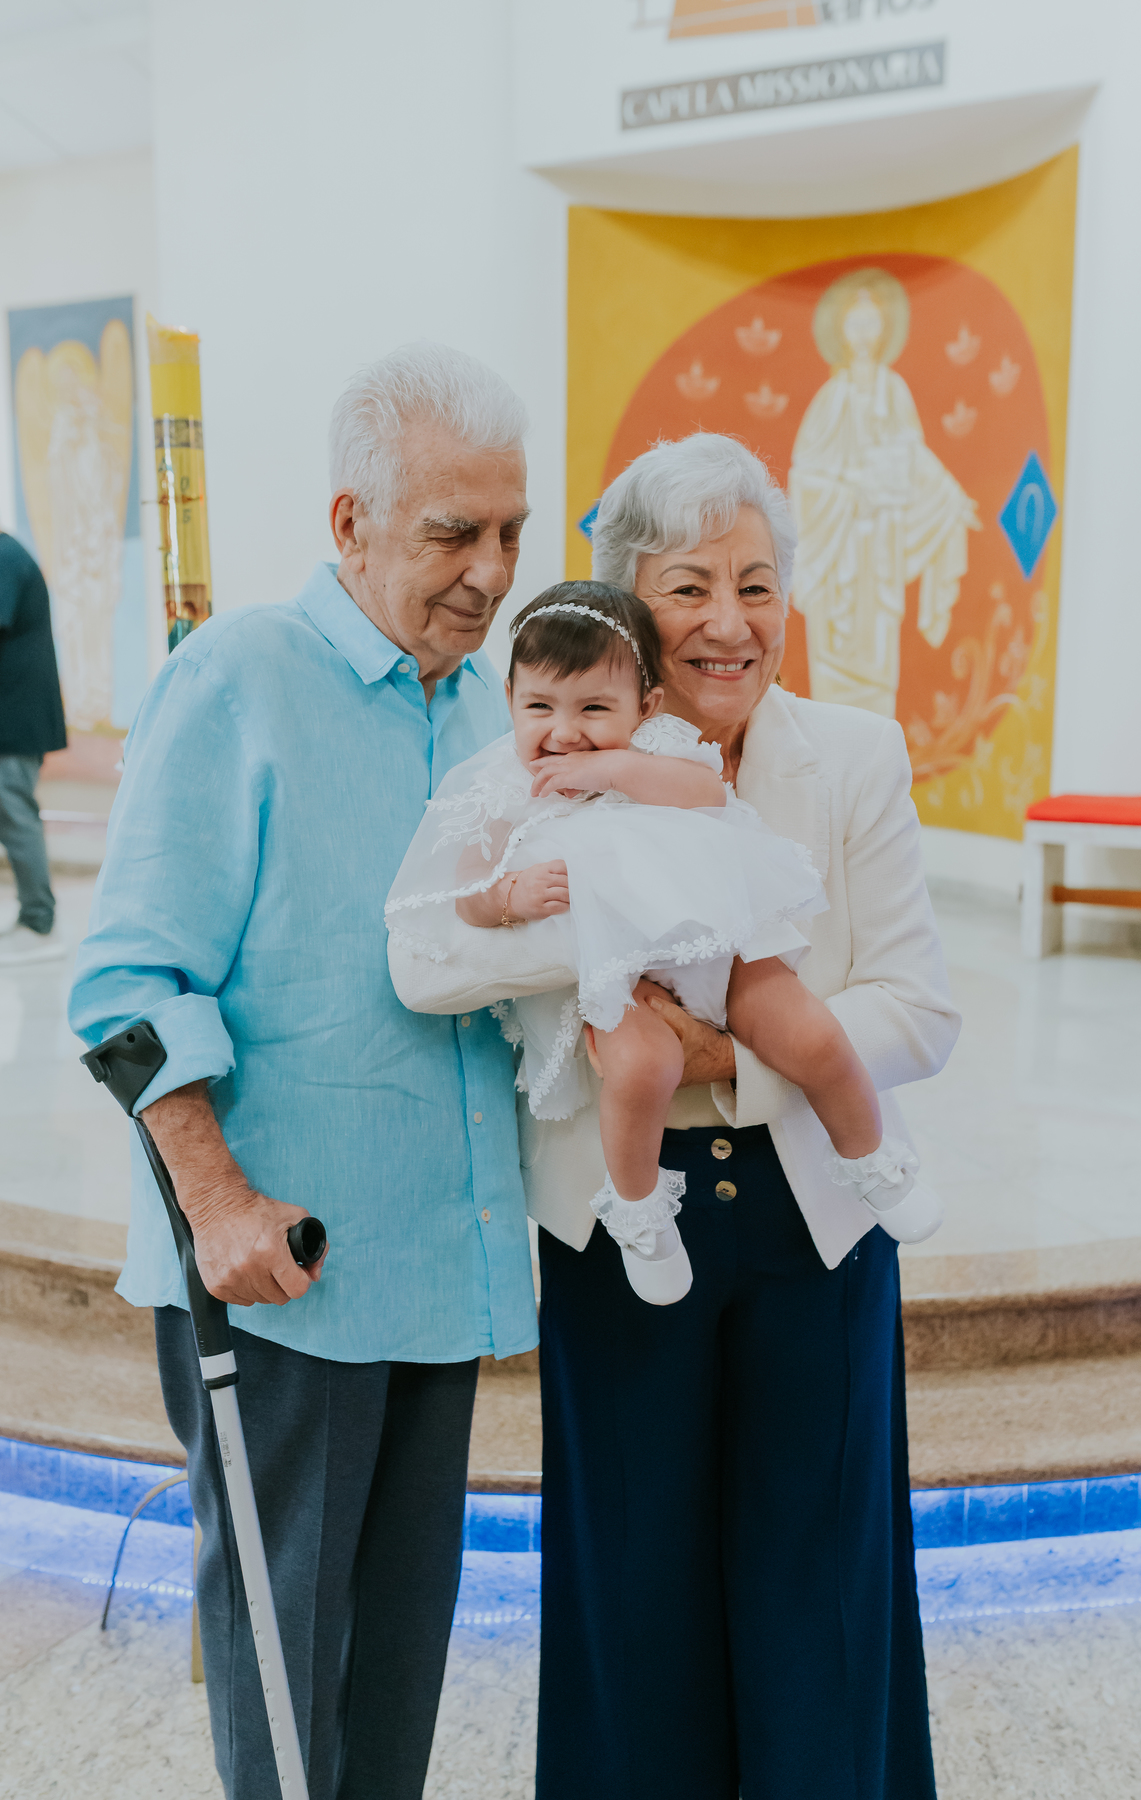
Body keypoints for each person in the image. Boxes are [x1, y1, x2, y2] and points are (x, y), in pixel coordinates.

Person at [396, 432, 961, 1799]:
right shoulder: (536, 745)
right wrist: (597, 940)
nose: (729, 622)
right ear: (626, 607)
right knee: (631, 1576)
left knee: (816, 1578)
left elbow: (918, 1009)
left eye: (757, 585)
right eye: (691, 585)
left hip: (811, 1216)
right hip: (617, 1215)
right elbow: (432, 955)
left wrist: (723, 1059)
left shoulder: (853, 757)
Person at [69, 342, 539, 1800]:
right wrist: (216, 1205)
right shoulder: (238, 679)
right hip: (285, 1277)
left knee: (395, 1673)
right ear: (349, 525)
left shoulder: (484, 711)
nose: (488, 567)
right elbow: (127, 987)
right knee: (282, 1692)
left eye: (511, 530)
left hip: (436, 1274)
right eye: (451, 531)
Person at [388, 581, 942, 1309]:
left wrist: (608, 770)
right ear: (511, 701)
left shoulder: (655, 752)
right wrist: (505, 899)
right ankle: (641, 1213)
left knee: (811, 1034)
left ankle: (872, 1158)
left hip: (725, 948)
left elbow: (707, 795)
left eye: (594, 709)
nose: (564, 733)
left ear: (643, 708)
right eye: (539, 708)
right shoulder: (506, 789)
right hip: (623, 976)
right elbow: (465, 892)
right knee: (641, 1069)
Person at [790, 267, 979, 718]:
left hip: (880, 550)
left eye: (872, 321)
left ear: (884, 329)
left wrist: (951, 498)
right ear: (840, 329)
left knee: (876, 661)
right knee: (836, 689)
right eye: (855, 322)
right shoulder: (831, 397)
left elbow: (915, 458)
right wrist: (850, 492)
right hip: (840, 552)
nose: (863, 331)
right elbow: (804, 477)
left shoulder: (894, 392)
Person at [0, 530, 67, 965]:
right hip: (12, 713)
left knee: (14, 810)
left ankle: (40, 923)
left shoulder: (4, 555)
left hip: (16, 716)